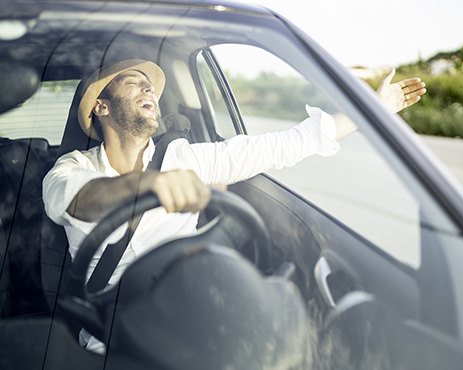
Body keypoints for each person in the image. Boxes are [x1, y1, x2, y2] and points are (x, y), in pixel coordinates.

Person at [42, 59, 426, 352]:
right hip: (111, 342)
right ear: (102, 108)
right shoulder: (72, 167)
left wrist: (371, 112)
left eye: (151, 87)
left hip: (198, 322)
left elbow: (282, 145)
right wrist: (148, 186)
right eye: (133, 83)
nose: (149, 91)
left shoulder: (183, 157)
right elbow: (76, 198)